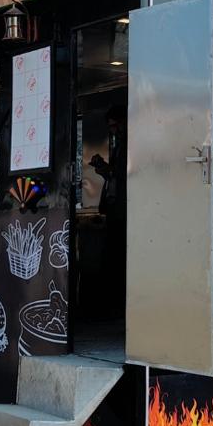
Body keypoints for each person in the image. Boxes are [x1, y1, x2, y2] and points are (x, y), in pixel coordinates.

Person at [89, 104, 127, 318]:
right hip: (114, 206)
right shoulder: (120, 144)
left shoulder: (128, 144)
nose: (113, 130)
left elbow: (125, 174)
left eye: (114, 126)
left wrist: (108, 169)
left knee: (116, 256)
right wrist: (106, 170)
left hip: (121, 208)